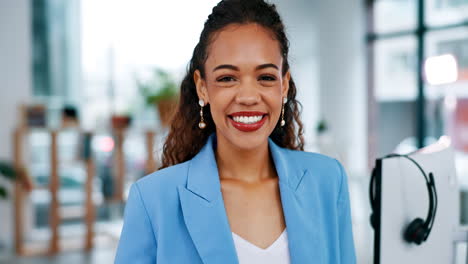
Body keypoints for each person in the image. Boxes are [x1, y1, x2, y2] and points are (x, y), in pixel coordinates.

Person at [114, 0, 356, 263]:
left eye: (265, 77)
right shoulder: (152, 199)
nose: (249, 97)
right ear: (202, 87)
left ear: (283, 85)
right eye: (227, 78)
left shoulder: (328, 181)